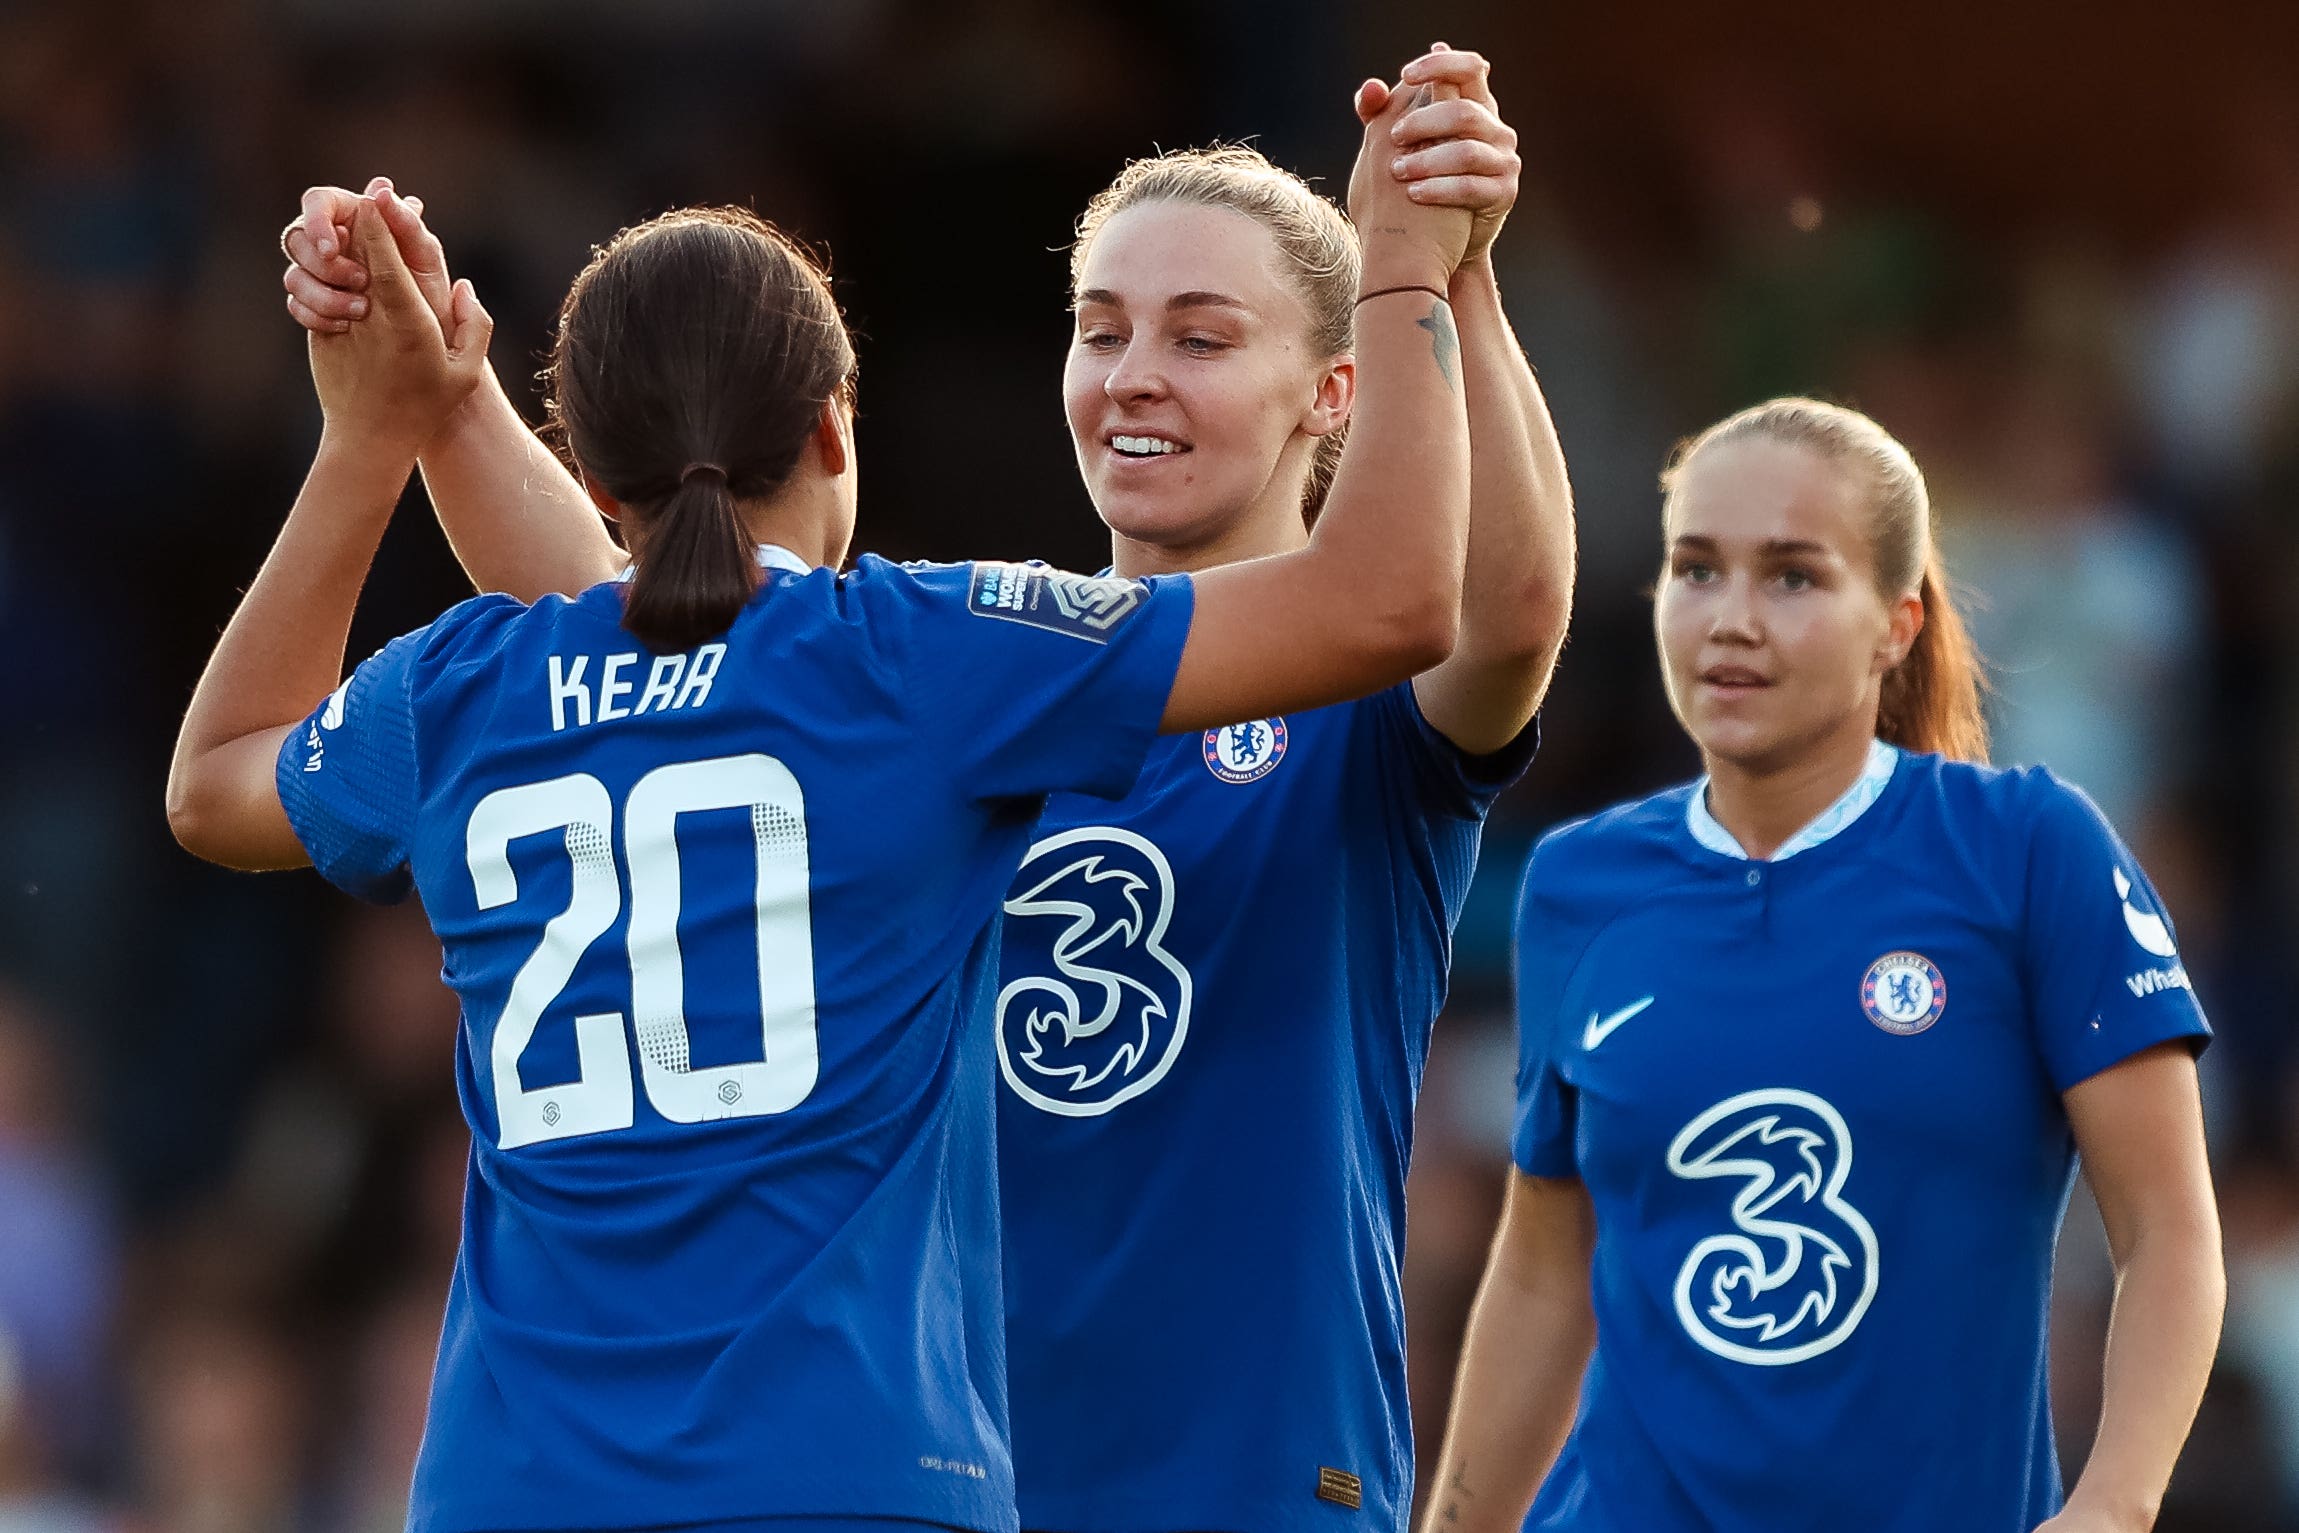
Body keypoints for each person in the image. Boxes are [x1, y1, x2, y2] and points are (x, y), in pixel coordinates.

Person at [279, 45, 1570, 1533]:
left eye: (1202, 338)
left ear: (1333, 386)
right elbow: (630, 627)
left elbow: (1503, 617)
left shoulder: (1351, 716)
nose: (1133, 373)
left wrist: (1445, 269)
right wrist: (446, 400)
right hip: (939, 1475)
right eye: (1100, 330)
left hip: (1240, 1473)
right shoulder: (947, 675)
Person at [1422, 398, 2224, 1533]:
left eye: (1791, 577)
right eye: (1696, 570)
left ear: (1894, 625)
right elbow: (1546, 1269)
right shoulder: (1577, 885)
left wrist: (2114, 1507)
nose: (1730, 620)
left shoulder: (2027, 850)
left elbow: (2167, 1234)